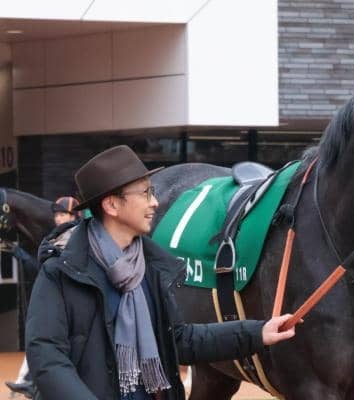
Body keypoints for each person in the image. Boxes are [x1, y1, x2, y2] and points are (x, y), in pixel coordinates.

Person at [25, 145, 296, 400]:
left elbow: (180, 341)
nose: (154, 202)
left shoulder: (150, 268)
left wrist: (257, 332)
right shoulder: (60, 273)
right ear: (112, 205)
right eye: (145, 193)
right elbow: (47, 359)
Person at [5, 196, 82, 398]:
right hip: (60, 296)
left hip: (75, 299)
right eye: (56, 214)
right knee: (41, 338)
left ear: (74, 215)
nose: (58, 218)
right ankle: (27, 381)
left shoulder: (78, 236)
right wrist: (21, 254)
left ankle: (30, 382)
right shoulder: (56, 237)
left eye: (63, 214)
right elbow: (45, 269)